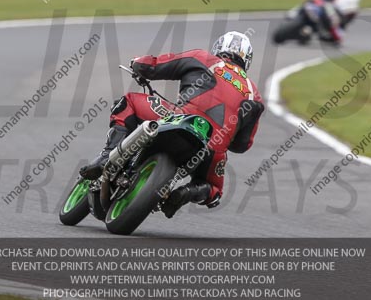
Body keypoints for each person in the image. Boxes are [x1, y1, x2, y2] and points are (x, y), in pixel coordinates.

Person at [80, 31, 265, 218]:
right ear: (247, 59)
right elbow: (242, 145)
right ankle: (185, 193)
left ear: (218, 48)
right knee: (214, 190)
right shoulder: (254, 96)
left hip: (179, 118)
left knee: (129, 101)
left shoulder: (204, 58)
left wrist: (137, 64)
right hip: (213, 146)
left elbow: (154, 66)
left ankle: (107, 155)